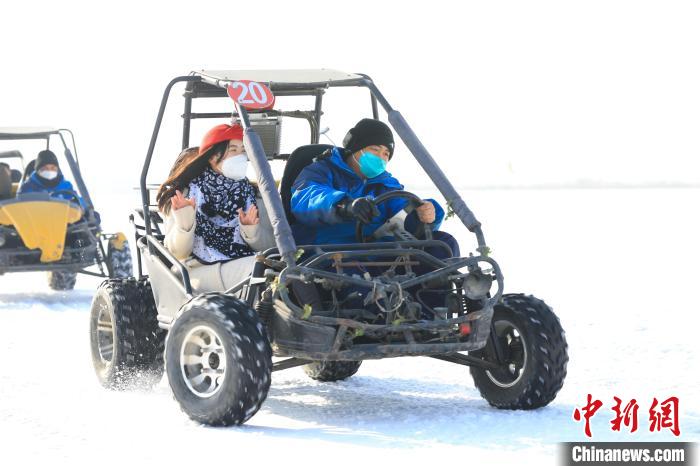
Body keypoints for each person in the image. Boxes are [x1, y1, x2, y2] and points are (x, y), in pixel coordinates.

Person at [290, 118, 459, 256]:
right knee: (358, 278)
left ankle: (446, 295)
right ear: (355, 149)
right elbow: (308, 197)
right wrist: (345, 205)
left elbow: (402, 211)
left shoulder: (386, 184)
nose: (381, 157)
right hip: (331, 250)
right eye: (375, 149)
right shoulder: (321, 170)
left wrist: (424, 213)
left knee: (443, 243)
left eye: (386, 153)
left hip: (377, 252)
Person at [156, 123, 274, 293]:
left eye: (243, 150)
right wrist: (185, 223)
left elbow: (271, 245)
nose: (240, 156)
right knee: (263, 270)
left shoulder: (254, 195)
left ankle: (312, 315)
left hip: (244, 263)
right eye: (233, 150)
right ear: (213, 157)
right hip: (199, 270)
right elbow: (177, 253)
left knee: (282, 268)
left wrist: (252, 231)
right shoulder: (185, 193)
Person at [18, 150, 86, 208]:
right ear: (38, 170)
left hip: (64, 220)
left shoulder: (66, 185)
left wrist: (85, 209)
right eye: (45, 168)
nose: (49, 171)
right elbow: (20, 207)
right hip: (35, 221)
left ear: (57, 169)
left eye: (53, 168)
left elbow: (80, 202)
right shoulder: (27, 188)